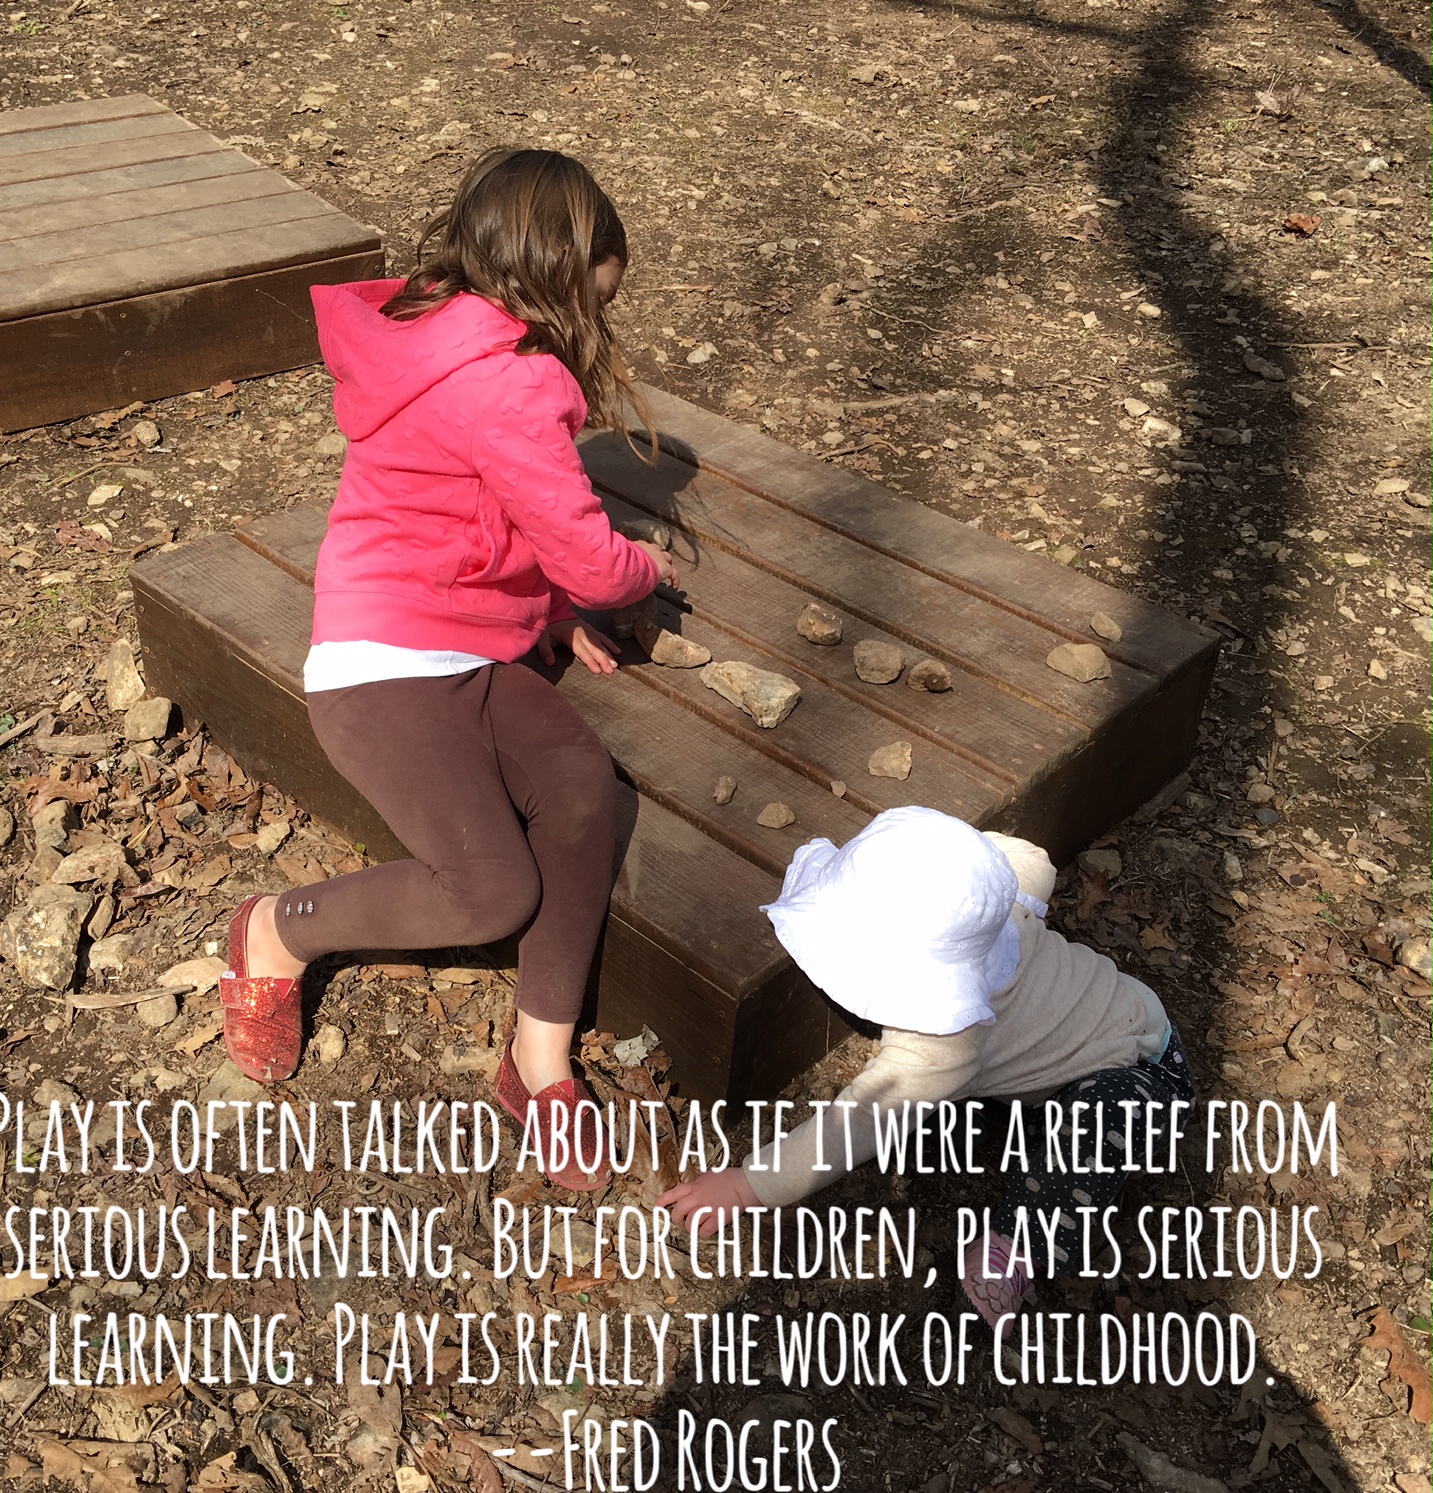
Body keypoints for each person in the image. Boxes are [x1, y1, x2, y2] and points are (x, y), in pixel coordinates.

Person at [218, 148, 677, 1191]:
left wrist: (550, 613)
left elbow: (493, 513)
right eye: (596, 301)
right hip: (382, 668)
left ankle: (538, 1059)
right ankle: (276, 931)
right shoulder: (509, 384)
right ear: (562, 280)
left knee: (578, 785)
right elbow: (591, 550)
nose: (598, 324)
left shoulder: (443, 332)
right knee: (487, 891)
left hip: (471, 644)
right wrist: (639, 570)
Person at [657, 807, 1194, 1326]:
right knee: (978, 1115)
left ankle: (1017, 1248)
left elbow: (854, 1126)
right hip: (1094, 1032)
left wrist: (746, 1185)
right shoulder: (998, 910)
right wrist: (956, 872)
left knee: (1091, 1132)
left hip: (1139, 1071)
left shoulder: (944, 1045)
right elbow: (1032, 860)